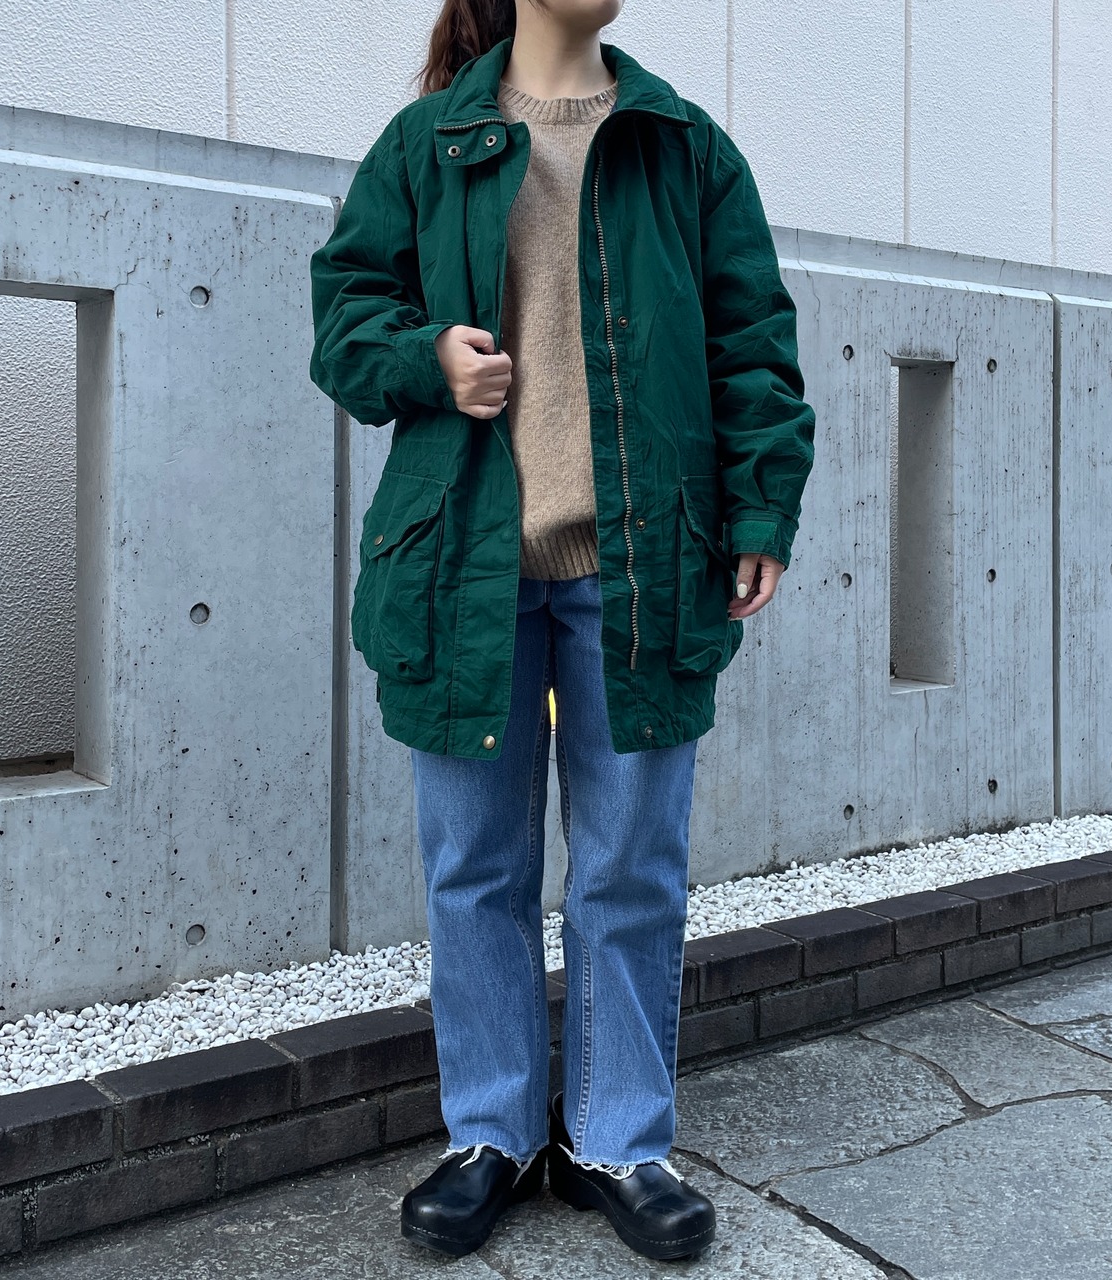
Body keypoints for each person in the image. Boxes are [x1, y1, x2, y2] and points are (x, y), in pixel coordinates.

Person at [308, 0, 815, 1263]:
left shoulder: (681, 147)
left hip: (639, 570)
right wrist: (428, 358)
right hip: (461, 566)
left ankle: (615, 1138)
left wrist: (759, 505)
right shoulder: (425, 143)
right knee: (472, 866)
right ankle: (487, 1132)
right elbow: (343, 318)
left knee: (629, 865)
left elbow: (752, 340)